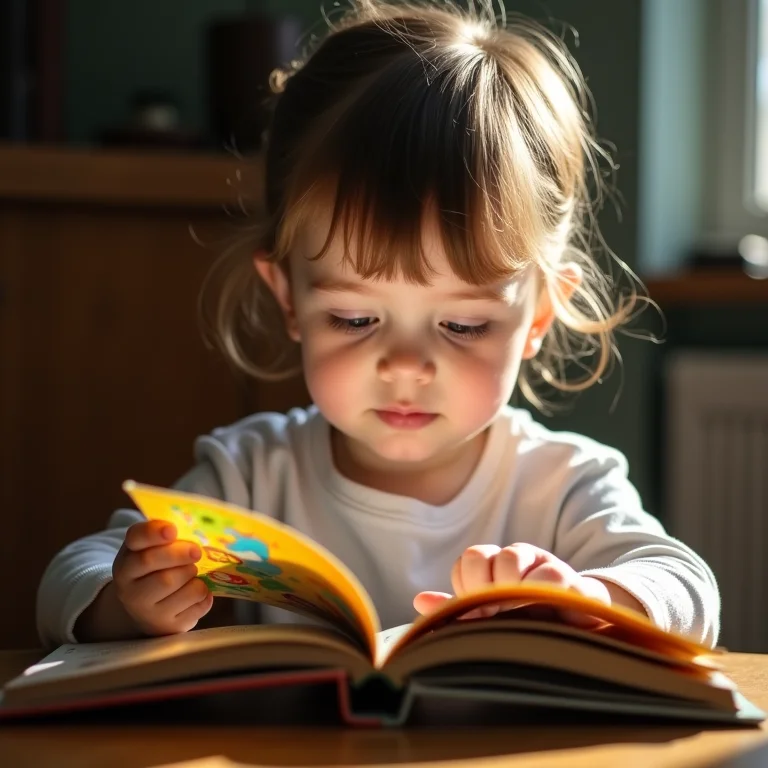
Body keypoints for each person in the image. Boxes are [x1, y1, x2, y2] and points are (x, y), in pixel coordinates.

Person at [36, 0, 719, 649]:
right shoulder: (250, 475)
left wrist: (593, 601)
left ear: (537, 313)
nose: (405, 365)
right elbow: (72, 573)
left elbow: (689, 589)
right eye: (355, 317)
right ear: (289, 300)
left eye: (461, 325)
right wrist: (123, 601)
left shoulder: (563, 483)